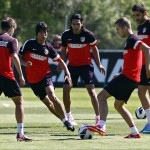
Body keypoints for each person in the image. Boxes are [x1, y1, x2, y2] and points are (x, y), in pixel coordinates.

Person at [88, 17, 150, 138]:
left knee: (101, 96)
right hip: (131, 78)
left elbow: (147, 49)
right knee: (118, 105)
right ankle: (134, 132)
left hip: (128, 78)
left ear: (125, 28)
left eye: (118, 29)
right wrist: (121, 73)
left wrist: (148, 68)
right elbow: (133, 61)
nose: (117, 32)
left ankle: (101, 125)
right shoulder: (129, 41)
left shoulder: (132, 39)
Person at [19, 22, 75, 132]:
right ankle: (64, 120)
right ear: (37, 34)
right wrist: (25, 64)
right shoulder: (29, 44)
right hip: (33, 80)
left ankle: (67, 121)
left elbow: (60, 61)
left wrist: (68, 74)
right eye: (41, 32)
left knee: (52, 96)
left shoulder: (48, 47)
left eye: (45, 32)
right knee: (48, 103)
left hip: (45, 76)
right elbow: (18, 57)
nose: (43, 34)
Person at [58, 14, 105, 126]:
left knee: (91, 91)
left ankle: (98, 118)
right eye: (74, 24)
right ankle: (69, 116)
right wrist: (62, 63)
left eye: (78, 24)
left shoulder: (88, 35)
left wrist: (99, 64)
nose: (76, 26)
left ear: (82, 23)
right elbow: (64, 51)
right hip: (72, 67)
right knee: (66, 88)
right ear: (71, 24)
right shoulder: (66, 35)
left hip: (86, 66)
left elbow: (95, 49)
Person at [0, 17, 32, 141]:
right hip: (7, 76)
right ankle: (20, 133)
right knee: (19, 102)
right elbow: (14, 55)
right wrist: (21, 75)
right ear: (12, 28)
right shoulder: (12, 40)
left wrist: (23, 63)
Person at [132, 3, 150, 134]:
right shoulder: (139, 27)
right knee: (141, 92)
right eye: (134, 16)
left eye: (138, 15)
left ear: (144, 13)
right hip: (142, 65)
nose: (136, 18)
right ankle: (149, 123)